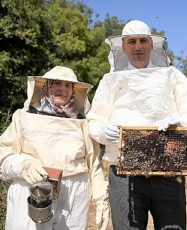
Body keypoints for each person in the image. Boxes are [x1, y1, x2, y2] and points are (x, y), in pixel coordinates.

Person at [87, 20, 187, 230]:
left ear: (152, 45)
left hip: (168, 167)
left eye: (143, 41)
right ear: (123, 47)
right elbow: (94, 121)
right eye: (132, 42)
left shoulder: (172, 75)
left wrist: (180, 124)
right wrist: (104, 131)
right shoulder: (110, 80)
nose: (138, 47)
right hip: (124, 171)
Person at [0, 66, 110, 229]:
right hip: (30, 190)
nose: (62, 89)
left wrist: (101, 198)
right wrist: (22, 165)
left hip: (73, 195)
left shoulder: (83, 123)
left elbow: (94, 164)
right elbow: (3, 153)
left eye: (68, 85)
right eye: (56, 83)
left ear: (74, 91)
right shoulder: (22, 117)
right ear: (47, 86)